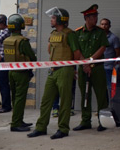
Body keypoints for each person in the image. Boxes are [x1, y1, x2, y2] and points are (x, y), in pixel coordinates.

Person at [28, 7, 81, 139]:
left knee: (65, 100)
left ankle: (63, 129)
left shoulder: (70, 34)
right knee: (46, 100)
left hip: (65, 70)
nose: (51, 20)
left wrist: (72, 68)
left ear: (60, 19)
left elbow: (77, 53)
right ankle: (41, 127)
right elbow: (49, 50)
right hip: (53, 69)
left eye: (53, 18)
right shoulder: (53, 34)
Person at [73, 4, 109, 132]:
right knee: (85, 95)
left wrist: (90, 61)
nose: (96, 19)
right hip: (83, 68)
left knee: (101, 96)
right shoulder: (77, 33)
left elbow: (103, 47)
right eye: (94, 16)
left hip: (97, 68)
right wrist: (84, 64)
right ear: (87, 18)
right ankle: (85, 121)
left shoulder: (100, 32)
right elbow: (76, 50)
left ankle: (103, 122)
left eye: (96, 16)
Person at [3, 14, 36, 132]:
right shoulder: (23, 41)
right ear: (21, 26)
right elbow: (32, 56)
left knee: (15, 97)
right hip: (22, 72)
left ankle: (18, 120)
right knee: (20, 98)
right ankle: (16, 123)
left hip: (11, 72)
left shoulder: (7, 40)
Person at [100, 18, 120, 97]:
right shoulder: (99, 37)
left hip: (109, 67)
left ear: (109, 26)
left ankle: (111, 105)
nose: (104, 26)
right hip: (100, 67)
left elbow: (118, 53)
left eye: (106, 24)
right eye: (102, 24)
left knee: (110, 87)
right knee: (102, 88)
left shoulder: (113, 38)